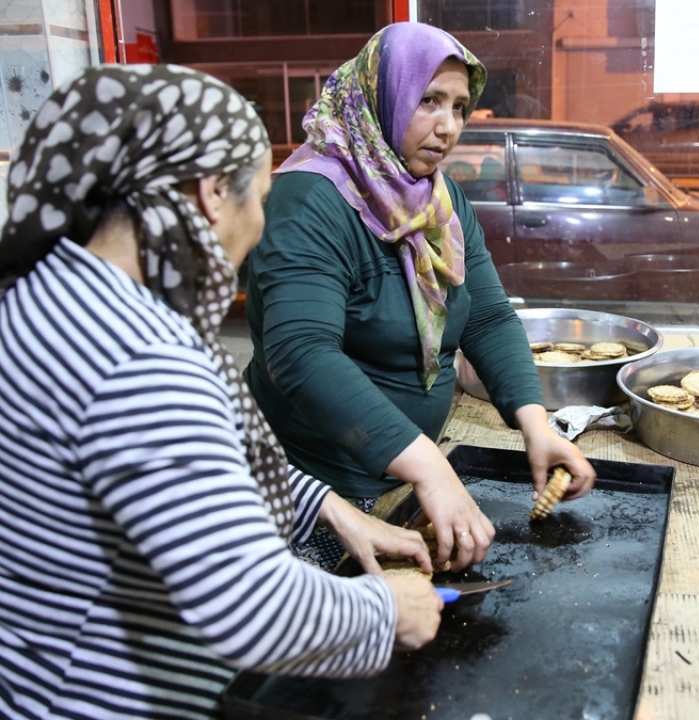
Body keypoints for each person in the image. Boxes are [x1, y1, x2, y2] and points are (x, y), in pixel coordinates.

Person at [0, 65, 443, 719]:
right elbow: (249, 609)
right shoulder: (137, 356)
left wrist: (321, 506)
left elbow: (145, 464)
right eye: (259, 198)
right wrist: (390, 610)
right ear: (213, 192)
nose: (260, 225)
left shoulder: (48, 295)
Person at [245, 22, 596, 572]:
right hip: (318, 491)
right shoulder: (311, 199)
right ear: (381, 96)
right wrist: (429, 466)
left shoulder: (436, 195)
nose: (448, 126)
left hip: (401, 474)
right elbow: (302, 354)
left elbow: (486, 317)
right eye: (428, 100)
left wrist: (536, 423)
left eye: (459, 107)